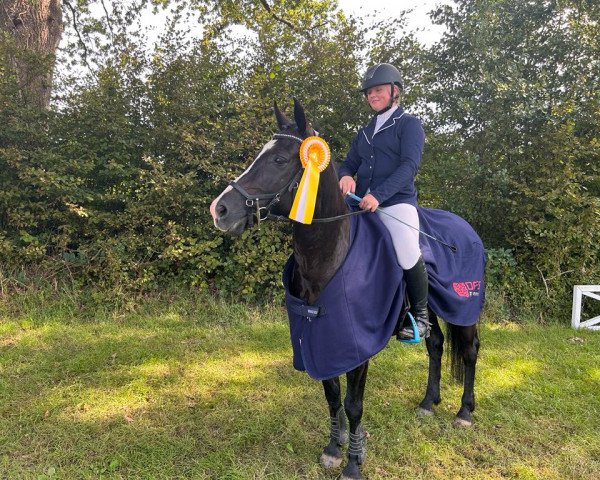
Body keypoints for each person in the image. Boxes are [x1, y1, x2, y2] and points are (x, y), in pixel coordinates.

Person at [338, 62, 430, 340]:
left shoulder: (409, 124)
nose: (372, 96)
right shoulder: (364, 132)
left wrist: (378, 195)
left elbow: (408, 167)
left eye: (377, 90)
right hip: (360, 204)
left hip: (396, 202)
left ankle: (421, 317)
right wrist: (344, 176)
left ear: (394, 91)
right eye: (368, 92)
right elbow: (349, 163)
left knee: (405, 247)